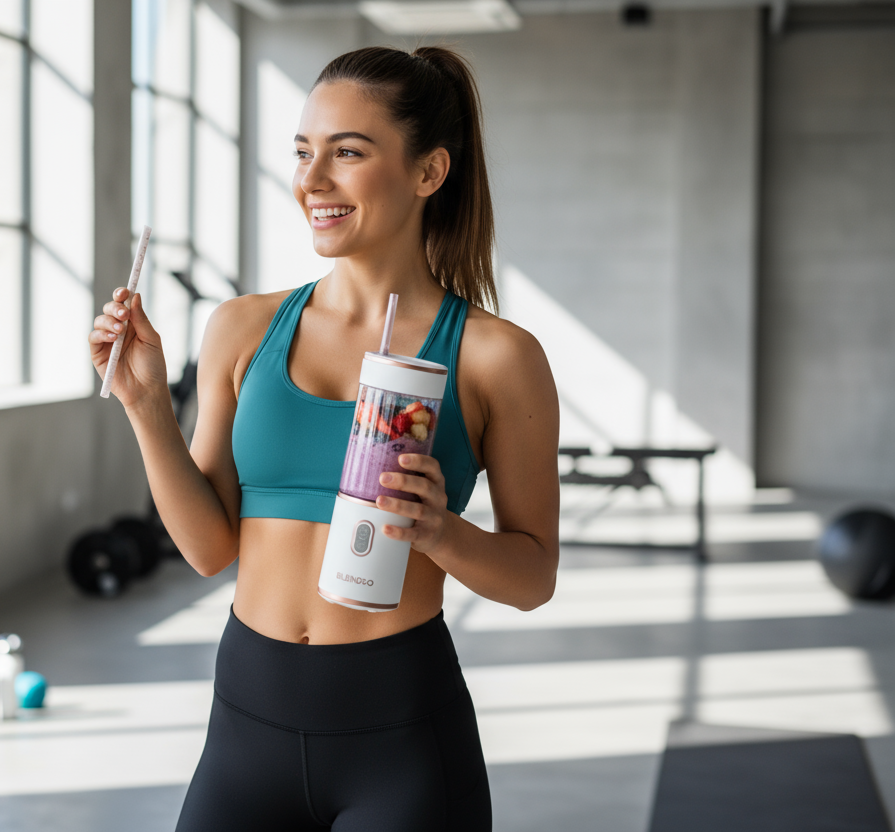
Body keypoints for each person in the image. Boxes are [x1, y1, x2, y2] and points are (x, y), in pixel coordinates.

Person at [90, 44, 559, 832]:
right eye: (304, 152)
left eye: (347, 153)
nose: (311, 181)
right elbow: (209, 547)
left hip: (400, 740)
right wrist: (143, 405)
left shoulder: (495, 357)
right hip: (245, 726)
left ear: (428, 172)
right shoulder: (243, 329)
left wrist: (440, 531)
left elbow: (533, 575)